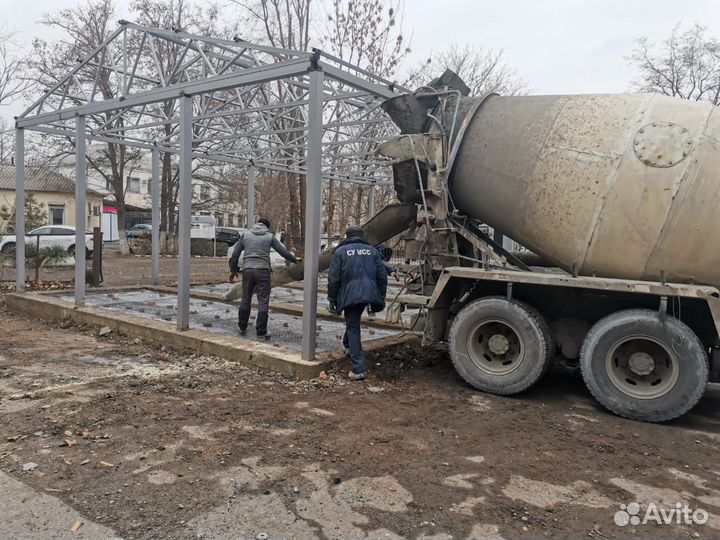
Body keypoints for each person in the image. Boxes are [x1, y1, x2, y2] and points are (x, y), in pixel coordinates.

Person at [328, 225, 388, 380]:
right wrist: (380, 297)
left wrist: (332, 300)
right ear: (361, 235)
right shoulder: (372, 251)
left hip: (350, 294)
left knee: (353, 326)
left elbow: (334, 279)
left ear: (347, 237)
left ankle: (358, 369)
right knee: (353, 320)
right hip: (368, 293)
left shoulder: (340, 252)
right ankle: (348, 346)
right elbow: (382, 277)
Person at [229, 218, 298, 339]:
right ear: (267, 226)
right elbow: (283, 252)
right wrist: (295, 260)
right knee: (263, 300)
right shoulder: (269, 237)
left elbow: (235, 254)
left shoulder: (245, 235)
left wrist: (233, 271)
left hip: (248, 271)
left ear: (257, 224)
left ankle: (242, 326)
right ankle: (261, 331)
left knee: (246, 298)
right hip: (263, 272)